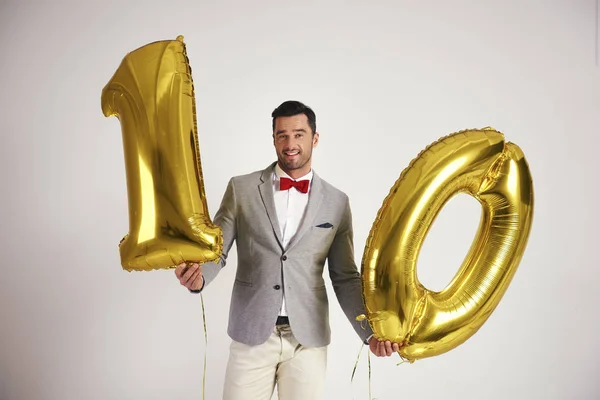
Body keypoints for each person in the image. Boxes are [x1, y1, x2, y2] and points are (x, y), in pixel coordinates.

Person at [175, 100, 400, 400]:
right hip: (252, 334)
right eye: (282, 135)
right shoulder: (241, 189)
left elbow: (345, 276)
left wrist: (370, 331)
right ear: (273, 139)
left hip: (308, 339)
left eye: (298, 134)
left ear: (314, 138)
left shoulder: (337, 202)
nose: (290, 143)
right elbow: (218, 250)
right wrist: (199, 277)